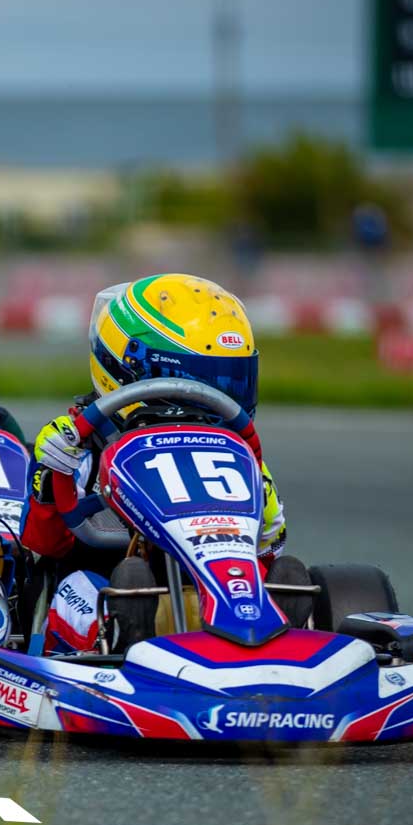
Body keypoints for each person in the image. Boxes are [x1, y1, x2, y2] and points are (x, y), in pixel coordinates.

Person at [21, 274, 288, 652]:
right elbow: (42, 546)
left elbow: (267, 552)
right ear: (125, 370)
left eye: (229, 384)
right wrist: (52, 475)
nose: (210, 400)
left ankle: (276, 634)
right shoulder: (79, 440)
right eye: (195, 384)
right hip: (109, 585)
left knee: (288, 576)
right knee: (87, 588)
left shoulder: (235, 456)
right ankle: (120, 642)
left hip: (211, 592)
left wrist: (265, 506)